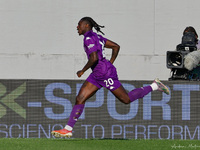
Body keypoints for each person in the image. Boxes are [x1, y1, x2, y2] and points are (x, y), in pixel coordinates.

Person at [51, 17, 169, 138]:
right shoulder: (97, 37)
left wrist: (82, 70)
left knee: (126, 99)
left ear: (86, 26)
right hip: (98, 73)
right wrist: (110, 62)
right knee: (80, 98)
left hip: (105, 73)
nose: (77, 27)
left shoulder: (88, 38)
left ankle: (155, 85)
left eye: (79, 24)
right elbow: (116, 46)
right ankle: (68, 129)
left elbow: (94, 58)